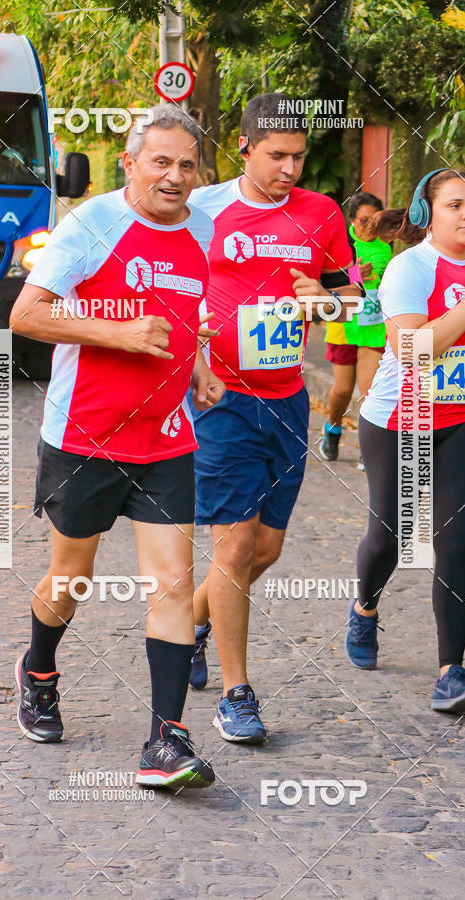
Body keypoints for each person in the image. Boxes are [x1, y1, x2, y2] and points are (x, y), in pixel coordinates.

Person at [9, 105, 226, 789]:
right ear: (130, 164)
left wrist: (197, 365)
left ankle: (166, 740)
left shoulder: (202, 227)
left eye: (187, 164)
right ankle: (38, 668)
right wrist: (120, 334)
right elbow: (26, 314)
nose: (175, 176)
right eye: (161, 162)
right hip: (84, 437)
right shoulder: (91, 225)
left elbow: (185, 311)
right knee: (71, 581)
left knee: (173, 583)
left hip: (165, 437)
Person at [187, 92, 361, 743]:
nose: (289, 169)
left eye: (298, 157)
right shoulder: (202, 208)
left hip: (287, 399)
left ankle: (191, 625)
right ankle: (238, 694)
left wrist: (328, 301)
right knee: (232, 545)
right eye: (276, 156)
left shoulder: (321, 213)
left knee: (266, 547)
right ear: (246, 148)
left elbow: (354, 298)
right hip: (220, 398)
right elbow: (167, 284)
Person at [346, 168, 465, 713]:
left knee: (457, 543)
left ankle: (451, 673)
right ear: (426, 214)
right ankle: (365, 608)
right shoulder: (409, 268)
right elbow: (412, 349)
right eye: (455, 204)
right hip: (399, 417)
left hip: (463, 417)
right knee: (389, 536)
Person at [321, 192, 392, 465]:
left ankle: (368, 448)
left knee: (370, 390)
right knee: (342, 390)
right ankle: (332, 428)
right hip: (344, 323)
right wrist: (355, 276)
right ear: (352, 219)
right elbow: (324, 281)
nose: (370, 226)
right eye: (364, 220)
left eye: (375, 220)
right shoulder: (341, 242)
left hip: (373, 327)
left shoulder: (386, 249)